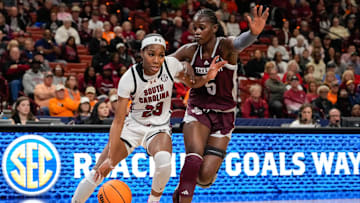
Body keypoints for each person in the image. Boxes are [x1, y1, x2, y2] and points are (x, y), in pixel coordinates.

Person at [71, 34, 226, 203]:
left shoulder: (171, 65)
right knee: (98, 172)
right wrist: (110, 157)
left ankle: (153, 201)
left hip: (158, 128)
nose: (156, 60)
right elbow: (118, 121)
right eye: (151, 54)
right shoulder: (129, 78)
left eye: (161, 55)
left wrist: (207, 77)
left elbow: (192, 82)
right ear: (142, 53)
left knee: (164, 162)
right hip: (133, 126)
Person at [170, 6, 269, 202]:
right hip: (198, 111)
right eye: (195, 28)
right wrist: (181, 66)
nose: (196, 32)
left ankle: (185, 188)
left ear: (214, 28)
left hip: (224, 115)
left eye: (202, 27)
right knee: (193, 158)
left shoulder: (225, 47)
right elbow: (164, 63)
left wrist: (253, 34)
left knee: (204, 178)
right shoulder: (189, 50)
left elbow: (240, 42)